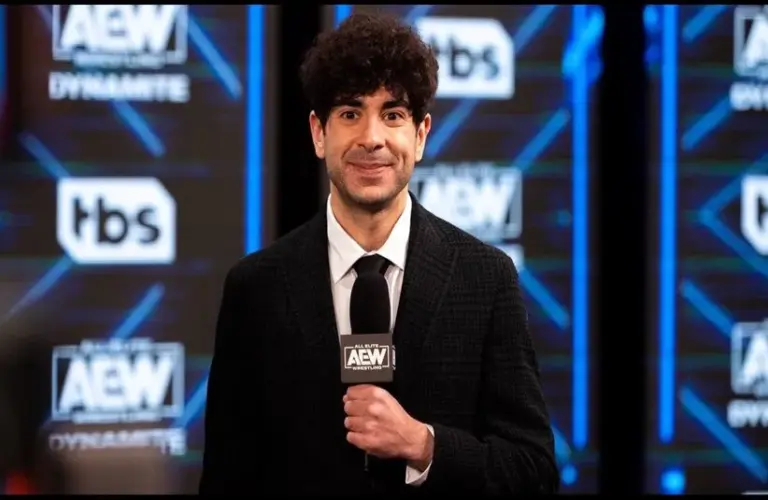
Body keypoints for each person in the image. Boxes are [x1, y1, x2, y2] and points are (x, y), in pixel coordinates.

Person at [199, 12, 559, 495]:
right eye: (350, 113)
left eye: (392, 115)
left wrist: (424, 445)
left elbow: (533, 470)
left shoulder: (485, 278)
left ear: (421, 134)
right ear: (318, 132)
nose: (372, 138)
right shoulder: (256, 288)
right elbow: (226, 476)